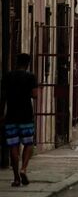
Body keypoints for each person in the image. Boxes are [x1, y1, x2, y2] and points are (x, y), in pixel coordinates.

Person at [1, 53, 38, 187]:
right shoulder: (30, 77)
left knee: (13, 146)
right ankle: (24, 168)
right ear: (27, 64)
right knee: (28, 143)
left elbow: (3, 96)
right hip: (26, 115)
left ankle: (16, 178)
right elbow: (34, 95)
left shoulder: (8, 76)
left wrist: (2, 114)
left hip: (11, 115)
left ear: (16, 63)